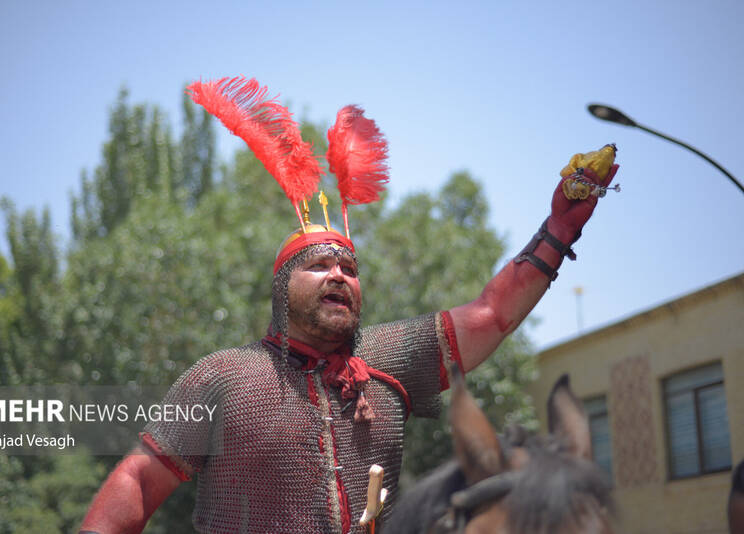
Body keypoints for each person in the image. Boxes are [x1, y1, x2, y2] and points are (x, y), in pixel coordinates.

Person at [79, 77, 619, 534]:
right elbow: (139, 479)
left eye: (350, 270)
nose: (339, 274)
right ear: (281, 288)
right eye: (319, 265)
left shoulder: (390, 360)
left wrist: (559, 229)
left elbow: (492, 315)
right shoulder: (223, 378)